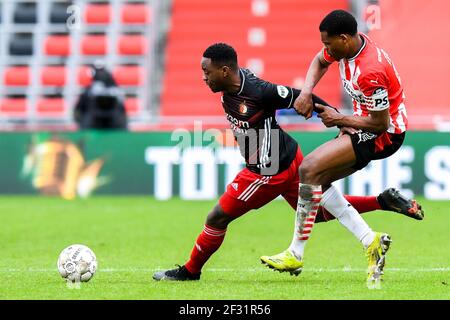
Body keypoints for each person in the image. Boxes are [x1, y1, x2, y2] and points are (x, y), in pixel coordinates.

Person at [152, 43, 423, 282]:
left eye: (206, 72)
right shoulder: (237, 82)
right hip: (289, 156)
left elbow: (300, 98)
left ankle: (190, 271)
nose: (203, 78)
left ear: (224, 71)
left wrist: (340, 120)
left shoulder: (258, 91)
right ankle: (382, 201)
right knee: (316, 213)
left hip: (266, 171)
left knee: (216, 217)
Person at [261, 10, 414, 286]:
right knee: (316, 178)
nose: (325, 49)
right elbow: (319, 61)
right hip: (363, 122)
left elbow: (380, 124)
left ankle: (296, 252)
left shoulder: (370, 71)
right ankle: (371, 241)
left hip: (385, 135)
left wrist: (340, 118)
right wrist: (306, 92)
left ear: (344, 39)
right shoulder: (348, 48)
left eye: (329, 43)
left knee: (308, 169)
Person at [74, 61, 128, 129]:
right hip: (93, 122)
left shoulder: (114, 88)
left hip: (113, 122)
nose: (100, 74)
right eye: (98, 71)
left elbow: (122, 109)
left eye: (102, 70)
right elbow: (80, 108)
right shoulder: (89, 90)